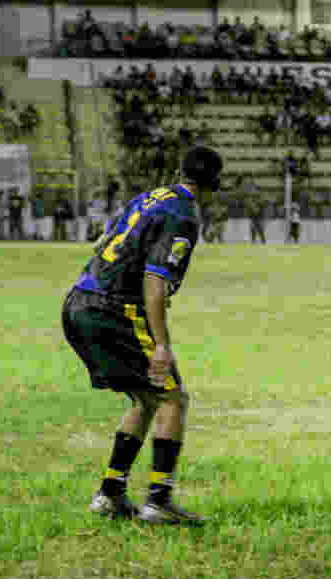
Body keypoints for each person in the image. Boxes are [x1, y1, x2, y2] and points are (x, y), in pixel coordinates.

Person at [61, 146, 223, 525]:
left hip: (79, 301)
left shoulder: (151, 196)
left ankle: (110, 494)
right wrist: (161, 345)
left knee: (145, 397)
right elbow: (154, 283)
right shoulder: (183, 215)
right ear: (214, 183)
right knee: (172, 398)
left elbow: (101, 243)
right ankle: (158, 500)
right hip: (113, 309)